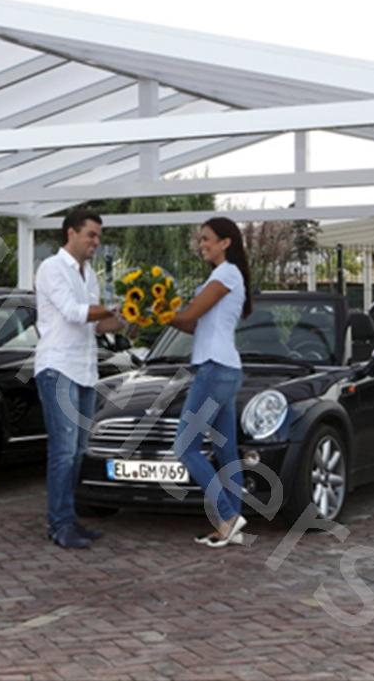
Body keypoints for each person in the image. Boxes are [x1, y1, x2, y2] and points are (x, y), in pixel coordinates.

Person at [34, 208, 126, 550]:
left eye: (99, 236)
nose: (96, 242)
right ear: (71, 233)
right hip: (57, 368)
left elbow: (97, 325)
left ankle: (68, 519)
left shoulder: (90, 276)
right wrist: (118, 306)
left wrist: (128, 318)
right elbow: (74, 312)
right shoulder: (51, 269)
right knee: (63, 449)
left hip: (85, 370)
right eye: (91, 235)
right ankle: (58, 523)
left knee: (78, 451)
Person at [168, 217, 252, 548]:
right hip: (223, 367)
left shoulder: (227, 273)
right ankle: (231, 526)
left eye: (206, 238)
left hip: (215, 368)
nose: (201, 244)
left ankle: (227, 515)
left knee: (185, 447)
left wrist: (153, 309)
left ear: (225, 242)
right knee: (225, 450)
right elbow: (192, 326)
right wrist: (161, 312)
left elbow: (188, 316)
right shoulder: (220, 276)